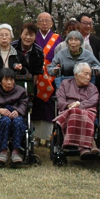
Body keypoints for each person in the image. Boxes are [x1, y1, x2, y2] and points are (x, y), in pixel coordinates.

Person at [54, 62, 100, 156]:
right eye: (86, 74)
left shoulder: (92, 88)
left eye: (90, 75)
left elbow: (94, 100)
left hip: (87, 111)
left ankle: (82, 146)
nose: (88, 77)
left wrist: (79, 105)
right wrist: (69, 105)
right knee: (74, 112)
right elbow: (60, 99)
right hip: (68, 111)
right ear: (76, 75)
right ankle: (89, 144)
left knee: (79, 113)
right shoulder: (65, 84)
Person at [0, 68, 29, 164]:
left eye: (11, 80)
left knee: (17, 121)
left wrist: (18, 111)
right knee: (5, 121)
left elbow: (24, 104)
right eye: (6, 80)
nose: (9, 83)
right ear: (0, 81)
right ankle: (3, 151)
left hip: (17, 117)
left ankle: (16, 151)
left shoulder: (21, 91)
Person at [32, 12, 62, 141]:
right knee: (36, 104)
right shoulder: (33, 37)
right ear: (37, 23)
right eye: (41, 21)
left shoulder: (57, 38)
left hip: (51, 76)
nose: (44, 23)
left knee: (50, 105)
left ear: (52, 23)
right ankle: (36, 135)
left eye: (47, 21)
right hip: (36, 75)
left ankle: (50, 135)